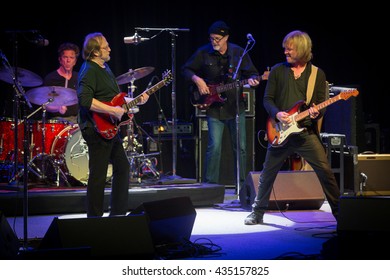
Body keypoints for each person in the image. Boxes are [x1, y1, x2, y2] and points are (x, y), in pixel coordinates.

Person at [244, 30, 340, 225]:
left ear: (302, 49)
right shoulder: (278, 71)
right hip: (280, 131)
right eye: (285, 48)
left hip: (305, 134)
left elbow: (321, 105)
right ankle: (257, 212)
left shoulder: (317, 74)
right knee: (267, 173)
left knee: (325, 173)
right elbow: (267, 99)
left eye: (290, 48)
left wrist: (316, 113)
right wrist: (277, 114)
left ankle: (340, 213)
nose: (285, 51)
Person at [77, 32, 148, 217]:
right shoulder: (89, 70)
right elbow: (85, 100)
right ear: (94, 51)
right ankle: (94, 219)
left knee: (122, 168)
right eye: (105, 46)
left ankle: (118, 215)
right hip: (95, 128)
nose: (109, 48)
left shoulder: (104, 68)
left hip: (109, 127)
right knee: (98, 175)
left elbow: (114, 101)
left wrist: (137, 100)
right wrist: (112, 111)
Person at [182, 20, 260, 187]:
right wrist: (198, 80)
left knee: (241, 148)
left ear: (226, 38)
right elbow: (186, 69)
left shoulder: (238, 52)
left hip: (235, 107)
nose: (214, 42)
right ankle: (211, 187)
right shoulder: (203, 52)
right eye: (212, 38)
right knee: (214, 147)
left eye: (217, 38)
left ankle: (243, 187)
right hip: (214, 108)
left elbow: (253, 74)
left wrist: (254, 80)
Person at [43, 42, 80, 124]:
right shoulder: (51, 78)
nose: (68, 60)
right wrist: (57, 108)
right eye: (65, 57)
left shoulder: (79, 77)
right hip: (57, 121)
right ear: (60, 59)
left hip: (77, 120)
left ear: (75, 61)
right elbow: (44, 104)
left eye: (71, 57)